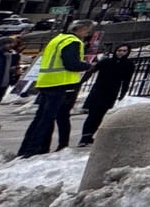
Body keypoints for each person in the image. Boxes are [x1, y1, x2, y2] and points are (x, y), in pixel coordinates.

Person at [16, 20, 93, 158]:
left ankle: (28, 148)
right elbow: (71, 64)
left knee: (40, 118)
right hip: (60, 84)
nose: (88, 33)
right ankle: (35, 149)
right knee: (47, 119)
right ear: (80, 29)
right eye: (87, 30)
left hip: (46, 82)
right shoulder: (72, 41)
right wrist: (88, 66)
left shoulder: (57, 39)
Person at [77, 43, 138, 145]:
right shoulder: (106, 61)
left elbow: (127, 80)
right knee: (92, 114)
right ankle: (85, 137)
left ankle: (90, 135)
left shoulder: (129, 64)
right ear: (115, 51)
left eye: (124, 51)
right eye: (119, 50)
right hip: (98, 90)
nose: (121, 53)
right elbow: (91, 71)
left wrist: (123, 92)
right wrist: (80, 83)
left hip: (111, 92)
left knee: (100, 115)